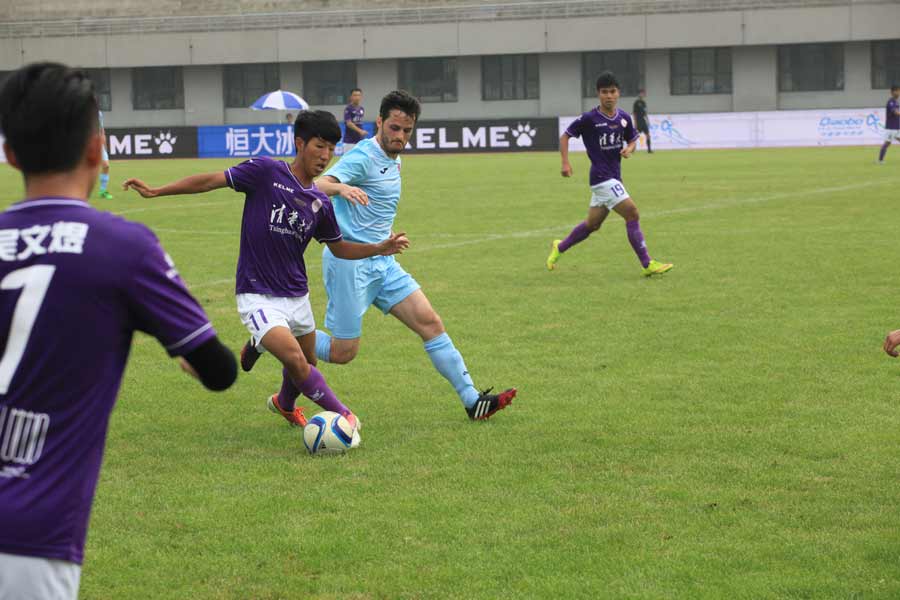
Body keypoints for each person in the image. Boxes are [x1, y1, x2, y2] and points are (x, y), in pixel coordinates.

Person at [0, 62, 237, 599]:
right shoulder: (122, 246)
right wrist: (193, 357)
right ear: (96, 150)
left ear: (10, 154)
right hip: (31, 541)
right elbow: (220, 370)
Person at [124, 110, 409, 430]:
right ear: (300, 143)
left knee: (308, 362)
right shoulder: (265, 172)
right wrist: (157, 190)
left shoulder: (319, 201)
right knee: (297, 361)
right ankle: (345, 416)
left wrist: (378, 248)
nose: (325, 156)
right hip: (257, 293)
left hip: (297, 295)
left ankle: (283, 400)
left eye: (331, 149)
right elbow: (210, 181)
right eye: (319, 146)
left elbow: (339, 248)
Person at [246, 90, 516, 421]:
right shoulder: (364, 155)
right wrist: (341, 187)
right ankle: (270, 337)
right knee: (343, 352)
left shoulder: (393, 157)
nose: (400, 136)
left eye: (407, 130)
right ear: (379, 122)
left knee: (430, 322)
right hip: (350, 263)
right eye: (394, 128)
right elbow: (318, 184)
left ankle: (472, 401)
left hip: (383, 260)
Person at [547, 71, 673, 277]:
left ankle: (559, 247)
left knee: (592, 225)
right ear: (598, 94)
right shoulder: (589, 118)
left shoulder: (623, 118)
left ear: (618, 93)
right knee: (632, 213)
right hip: (601, 178)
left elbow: (633, 139)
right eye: (604, 92)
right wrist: (565, 163)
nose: (609, 96)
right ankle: (647, 264)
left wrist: (629, 149)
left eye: (612, 91)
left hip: (614, 177)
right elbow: (565, 136)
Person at [877, 84, 899, 164]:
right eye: (897, 91)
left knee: (887, 143)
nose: (899, 93)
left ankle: (880, 160)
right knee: (887, 143)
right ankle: (880, 160)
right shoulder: (891, 102)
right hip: (891, 128)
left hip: (897, 127)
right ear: (892, 92)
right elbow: (895, 112)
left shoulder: (896, 102)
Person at [342, 88, 367, 153]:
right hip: (349, 141)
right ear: (351, 97)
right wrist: (360, 131)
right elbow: (349, 123)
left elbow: (359, 123)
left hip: (359, 141)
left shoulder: (361, 109)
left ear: (361, 97)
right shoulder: (348, 109)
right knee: (348, 159)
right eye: (355, 95)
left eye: (358, 95)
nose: (357, 97)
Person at [97, 109, 112, 198]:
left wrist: (105, 146)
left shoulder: (99, 114)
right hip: (84, 142)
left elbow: (102, 131)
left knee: (106, 166)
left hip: (97, 142)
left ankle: (103, 191)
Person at [632, 89, 652, 154]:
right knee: (635, 136)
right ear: (639, 94)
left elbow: (645, 113)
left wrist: (647, 121)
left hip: (643, 121)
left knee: (648, 135)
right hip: (638, 121)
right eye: (641, 93)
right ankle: (633, 149)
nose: (642, 94)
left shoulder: (644, 103)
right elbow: (634, 113)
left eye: (643, 93)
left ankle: (649, 150)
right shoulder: (636, 102)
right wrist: (635, 122)